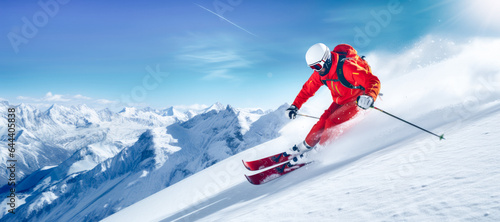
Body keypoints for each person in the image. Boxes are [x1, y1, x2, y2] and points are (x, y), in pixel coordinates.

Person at [285, 43, 381, 165]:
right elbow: (307, 89)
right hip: (341, 100)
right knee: (322, 121)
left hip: (358, 100)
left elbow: (372, 80)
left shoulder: (347, 67)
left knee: (332, 122)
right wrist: (295, 106)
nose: (316, 70)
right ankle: (306, 145)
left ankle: (320, 151)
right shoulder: (321, 73)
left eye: (318, 66)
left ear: (327, 59)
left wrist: (369, 96)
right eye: (312, 67)